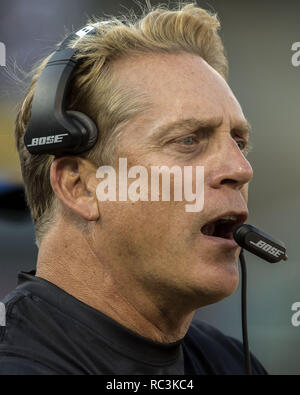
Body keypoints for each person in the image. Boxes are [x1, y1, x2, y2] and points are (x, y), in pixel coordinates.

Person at [0, 2, 267, 375]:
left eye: (238, 142)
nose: (241, 170)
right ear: (80, 186)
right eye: (189, 140)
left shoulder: (233, 363)